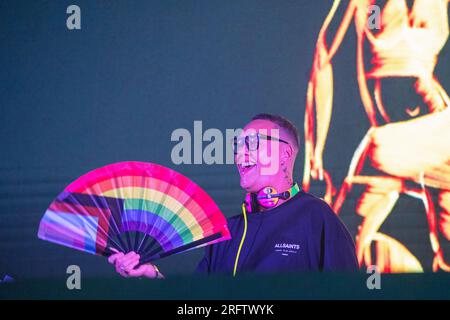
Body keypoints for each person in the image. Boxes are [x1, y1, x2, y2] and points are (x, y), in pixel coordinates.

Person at [108, 114, 358, 278]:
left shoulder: (316, 216)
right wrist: (151, 275)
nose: (240, 155)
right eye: (237, 147)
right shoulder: (229, 230)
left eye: (252, 144)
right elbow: (196, 304)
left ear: (284, 154)